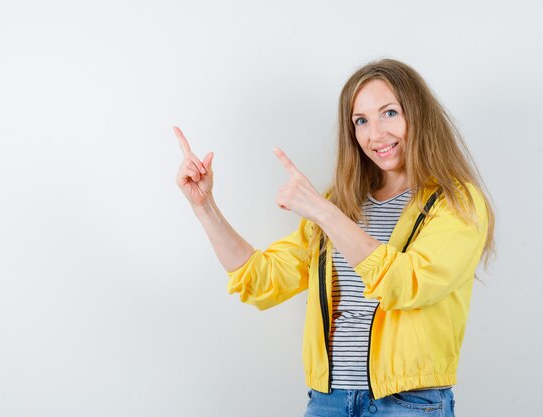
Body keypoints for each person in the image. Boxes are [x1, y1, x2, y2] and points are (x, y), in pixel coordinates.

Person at [174, 58, 495, 417]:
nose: (376, 134)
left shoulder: (456, 203)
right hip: (329, 401)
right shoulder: (341, 203)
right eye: (361, 121)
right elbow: (260, 280)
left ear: (418, 114)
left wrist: (325, 213)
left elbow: (407, 284)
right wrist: (204, 207)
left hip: (409, 402)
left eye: (389, 113)